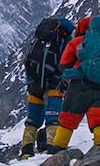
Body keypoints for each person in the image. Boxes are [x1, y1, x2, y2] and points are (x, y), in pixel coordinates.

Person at [49, 15, 100, 153]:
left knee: (69, 115)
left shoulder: (78, 42)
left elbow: (64, 65)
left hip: (79, 85)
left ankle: (58, 147)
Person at [20, 16, 75, 158]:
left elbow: (28, 60)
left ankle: (26, 152)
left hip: (35, 84)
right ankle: (53, 151)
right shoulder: (65, 38)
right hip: (54, 84)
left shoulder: (40, 38)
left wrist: (30, 82)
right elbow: (67, 62)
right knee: (53, 116)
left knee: (32, 120)